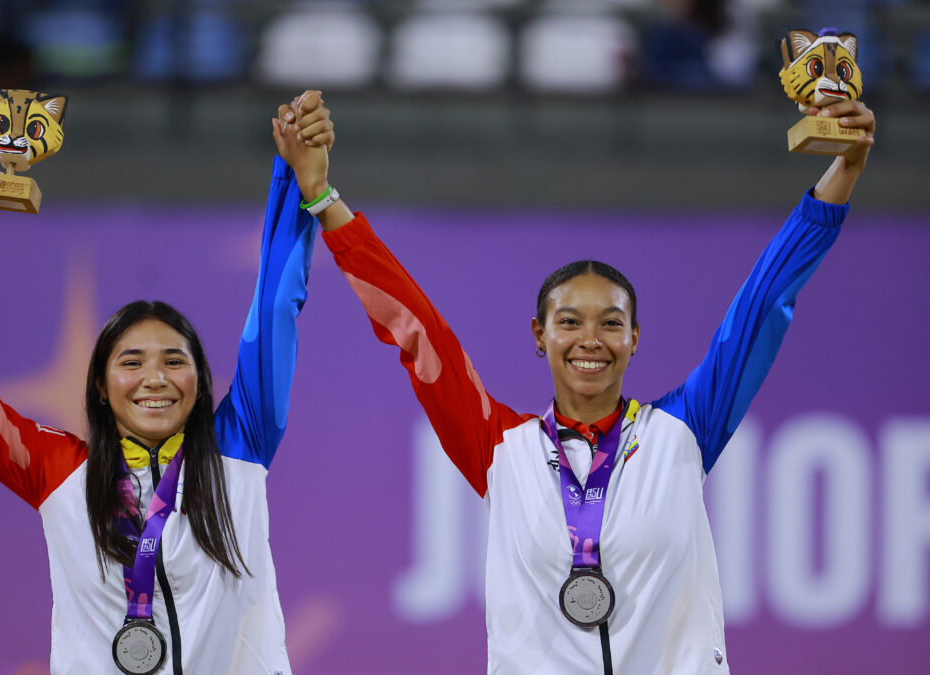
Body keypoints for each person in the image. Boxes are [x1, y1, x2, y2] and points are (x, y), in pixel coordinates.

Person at [273, 98, 876, 673]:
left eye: (611, 323)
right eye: (569, 322)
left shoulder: (684, 430)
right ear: (540, 335)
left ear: (635, 338)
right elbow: (415, 329)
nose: (591, 339)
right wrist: (324, 199)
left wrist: (844, 170)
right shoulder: (498, 448)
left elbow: (764, 303)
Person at [0, 91, 333, 675]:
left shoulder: (242, 446)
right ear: (101, 387)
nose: (155, 377)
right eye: (131, 362)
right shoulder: (58, 472)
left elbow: (274, 306)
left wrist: (295, 174)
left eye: (174, 360)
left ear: (200, 380)